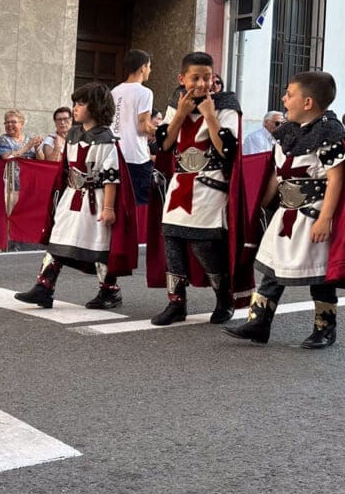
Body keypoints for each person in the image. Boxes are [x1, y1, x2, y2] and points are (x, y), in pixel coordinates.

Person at [226, 71, 345, 349]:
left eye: (289, 94)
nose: (284, 98)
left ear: (308, 102)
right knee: (272, 267)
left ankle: (325, 328)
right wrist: (263, 204)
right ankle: (259, 322)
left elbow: (337, 178)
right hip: (285, 212)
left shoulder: (329, 134)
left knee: (319, 273)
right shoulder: (287, 132)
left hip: (313, 213)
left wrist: (326, 218)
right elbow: (276, 173)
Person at [15, 83, 138, 310]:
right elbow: (65, 168)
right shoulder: (73, 134)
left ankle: (109, 291)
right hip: (72, 196)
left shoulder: (106, 139)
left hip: (97, 199)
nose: (75, 108)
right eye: (75, 103)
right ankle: (44, 287)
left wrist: (109, 208)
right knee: (58, 239)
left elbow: (112, 176)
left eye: (81, 104)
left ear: (96, 107)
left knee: (98, 245)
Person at [150, 51, 243, 326]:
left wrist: (209, 115)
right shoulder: (176, 101)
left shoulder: (226, 104)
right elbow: (163, 145)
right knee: (173, 240)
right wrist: (180, 113)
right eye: (195, 78)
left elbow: (227, 150)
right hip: (181, 182)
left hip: (210, 183)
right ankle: (176, 303)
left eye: (207, 77)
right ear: (182, 78)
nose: (201, 83)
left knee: (203, 244)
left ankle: (223, 297)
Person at [111, 50, 154, 205]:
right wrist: (164, 132)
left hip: (115, 155)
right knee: (138, 206)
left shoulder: (114, 91)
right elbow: (143, 125)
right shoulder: (145, 92)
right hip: (136, 157)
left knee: (117, 204)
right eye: (149, 66)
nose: (150, 70)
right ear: (143, 67)